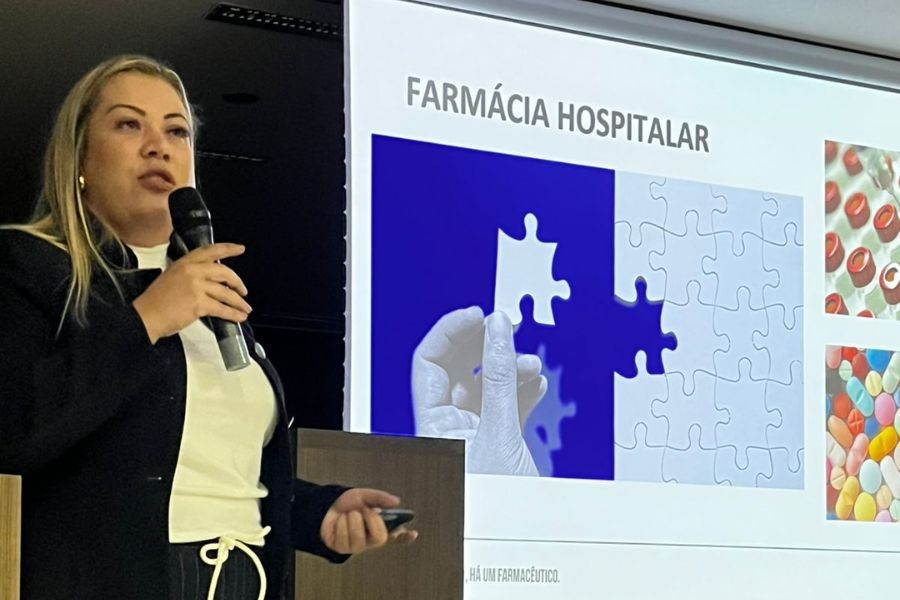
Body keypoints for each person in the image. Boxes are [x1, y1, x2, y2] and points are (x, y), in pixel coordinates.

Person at [0, 55, 415, 600]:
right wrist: (147, 319)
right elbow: (15, 431)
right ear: (78, 157)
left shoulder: (206, 288)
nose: (158, 146)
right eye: (128, 125)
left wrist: (319, 512)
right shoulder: (27, 266)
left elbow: (214, 470)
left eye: (177, 131)